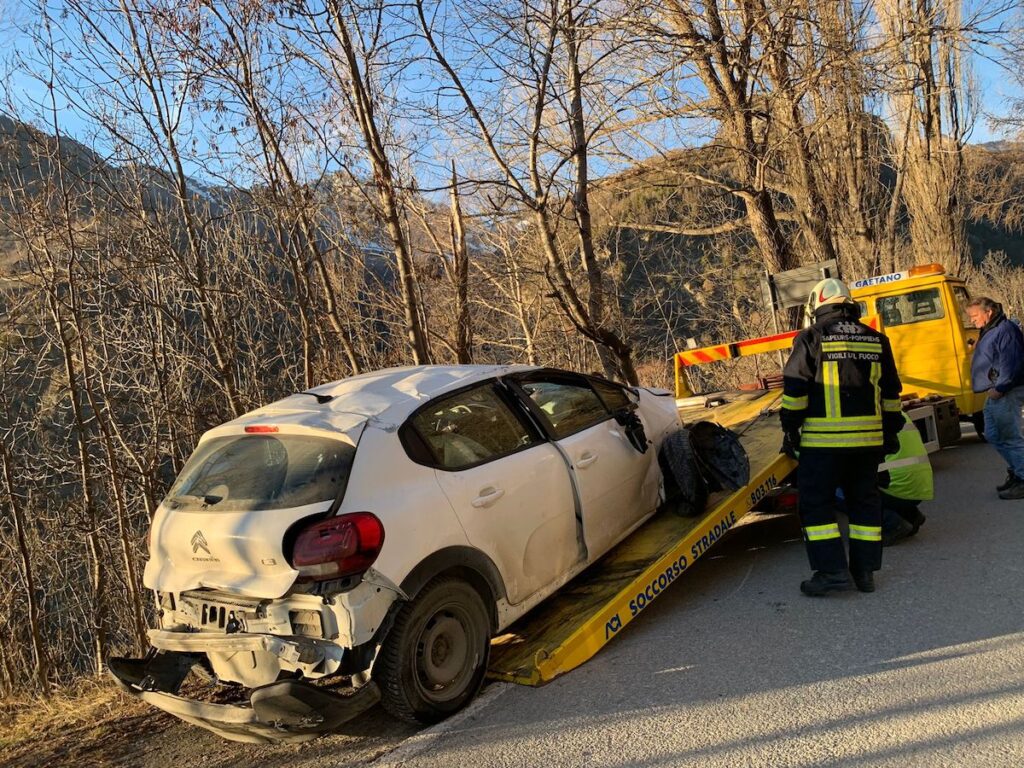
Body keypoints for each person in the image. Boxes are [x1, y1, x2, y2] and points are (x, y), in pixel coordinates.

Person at [781, 278, 903, 596]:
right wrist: (890, 433)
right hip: (867, 445)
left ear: (817, 306)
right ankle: (864, 573)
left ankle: (832, 572)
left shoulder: (811, 338)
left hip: (823, 446)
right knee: (864, 505)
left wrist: (789, 427)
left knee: (816, 505)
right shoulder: (877, 340)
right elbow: (891, 394)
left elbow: (795, 391)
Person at [965, 296, 1024, 499]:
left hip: (1005, 391)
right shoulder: (991, 329)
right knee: (992, 434)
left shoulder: (1004, 330)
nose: (971, 321)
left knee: (1010, 437)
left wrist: (1001, 387)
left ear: (988, 312)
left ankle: (1022, 478)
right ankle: (1017, 471)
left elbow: (1012, 363)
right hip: (996, 391)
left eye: (974, 316)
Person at [877, 412, 932, 546]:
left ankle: (892, 523)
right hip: (919, 486)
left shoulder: (865, 417)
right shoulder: (896, 411)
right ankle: (911, 516)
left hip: (896, 487)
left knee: (840, 490)